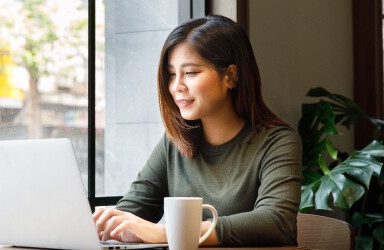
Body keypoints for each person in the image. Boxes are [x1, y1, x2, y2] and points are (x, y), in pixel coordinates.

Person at [93, 14, 302, 247]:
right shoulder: (175, 142)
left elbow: (274, 221)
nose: (176, 86)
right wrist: (108, 224)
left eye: (190, 73)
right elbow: (134, 209)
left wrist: (170, 233)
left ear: (230, 76)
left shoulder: (277, 141)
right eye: (172, 74)